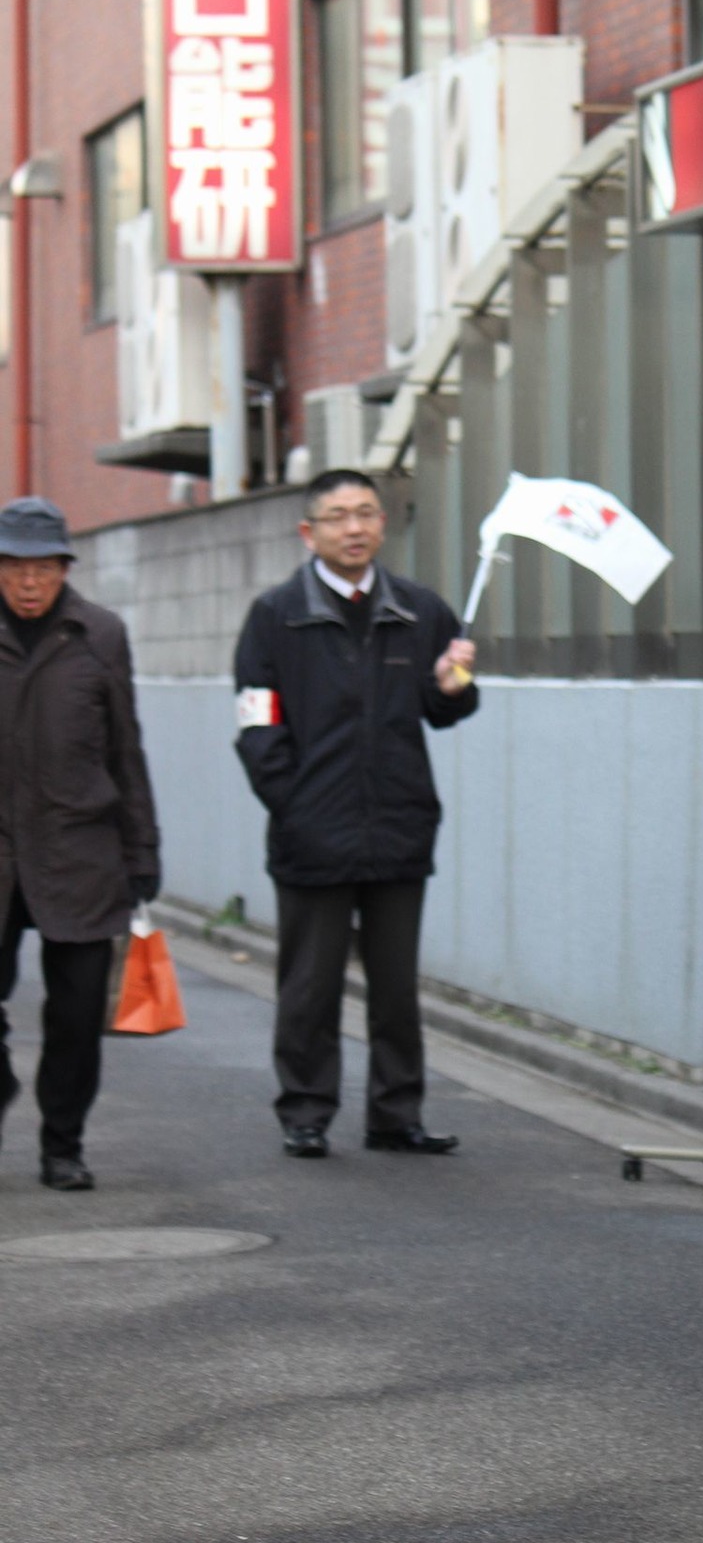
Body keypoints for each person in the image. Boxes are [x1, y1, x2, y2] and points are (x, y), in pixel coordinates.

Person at [234, 468, 479, 1160]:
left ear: (381, 524)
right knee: (309, 986)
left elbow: (445, 710)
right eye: (338, 516)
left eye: (366, 513)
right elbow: (257, 727)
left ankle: (396, 1114)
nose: (354, 527)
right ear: (309, 531)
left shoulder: (419, 610)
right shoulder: (275, 615)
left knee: (396, 989)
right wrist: (294, 806)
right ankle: (306, 1111)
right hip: (311, 835)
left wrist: (455, 682)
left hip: (398, 829)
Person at [0, 497, 161, 1190]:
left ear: (65, 567)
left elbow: (127, 751)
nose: (29, 582)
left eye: (43, 568)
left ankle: (62, 1146)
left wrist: (142, 854)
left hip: (80, 852)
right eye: (13, 568)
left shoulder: (101, 634)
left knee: (75, 1015)